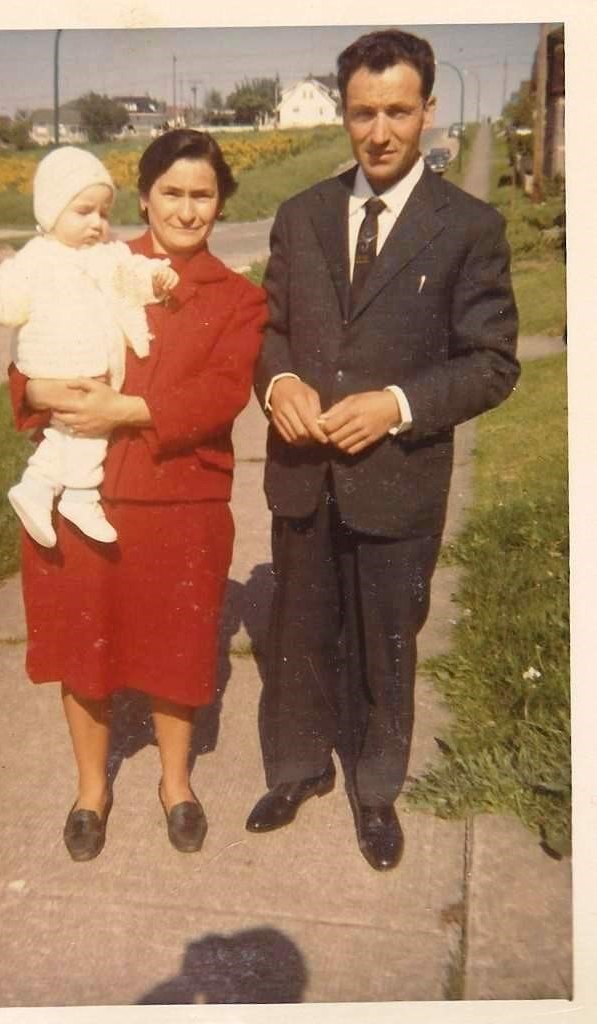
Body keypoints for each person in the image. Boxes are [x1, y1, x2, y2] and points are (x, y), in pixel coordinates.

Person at [246, 29, 519, 871]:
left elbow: (493, 363)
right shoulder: (303, 214)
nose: (381, 131)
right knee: (298, 630)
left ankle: (374, 790)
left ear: (429, 111)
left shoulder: (468, 226)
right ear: (344, 114)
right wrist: (279, 382)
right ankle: (296, 769)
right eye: (363, 113)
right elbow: (271, 330)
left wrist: (398, 404)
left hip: (397, 480)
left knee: (386, 639)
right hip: (303, 475)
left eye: (399, 110)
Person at [7, 130, 266, 860]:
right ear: (145, 196)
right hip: (80, 498)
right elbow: (25, 359)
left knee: (178, 650)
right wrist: (34, 389)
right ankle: (92, 789)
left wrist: (128, 411)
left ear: (221, 202)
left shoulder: (240, 298)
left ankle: (175, 783)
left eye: (203, 195)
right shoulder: (82, 266)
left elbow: (221, 394)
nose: (187, 210)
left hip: (182, 501)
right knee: (80, 647)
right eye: (172, 193)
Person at [0, 146, 179, 548]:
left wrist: (156, 279)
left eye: (104, 214)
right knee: (87, 431)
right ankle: (80, 496)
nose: (97, 222)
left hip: (93, 363)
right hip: (58, 363)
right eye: (84, 211)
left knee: (67, 433)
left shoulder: (107, 256)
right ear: (51, 211)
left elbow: (132, 274)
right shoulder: (35, 260)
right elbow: (10, 299)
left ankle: (37, 486)